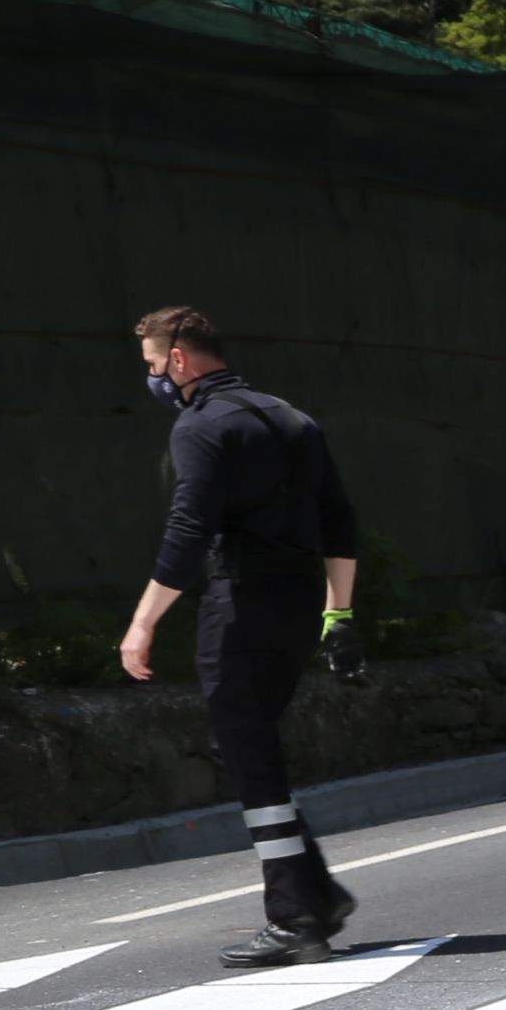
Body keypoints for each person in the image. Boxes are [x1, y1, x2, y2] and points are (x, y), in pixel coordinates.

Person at [117, 306, 368, 968]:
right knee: (253, 744)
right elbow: (339, 522)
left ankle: (296, 916)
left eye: (151, 365)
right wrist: (338, 616)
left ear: (177, 359)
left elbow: (188, 530)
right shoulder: (292, 418)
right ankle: (314, 894)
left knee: (248, 752)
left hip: (241, 601)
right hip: (293, 605)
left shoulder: (200, 427)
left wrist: (142, 624)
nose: (153, 380)